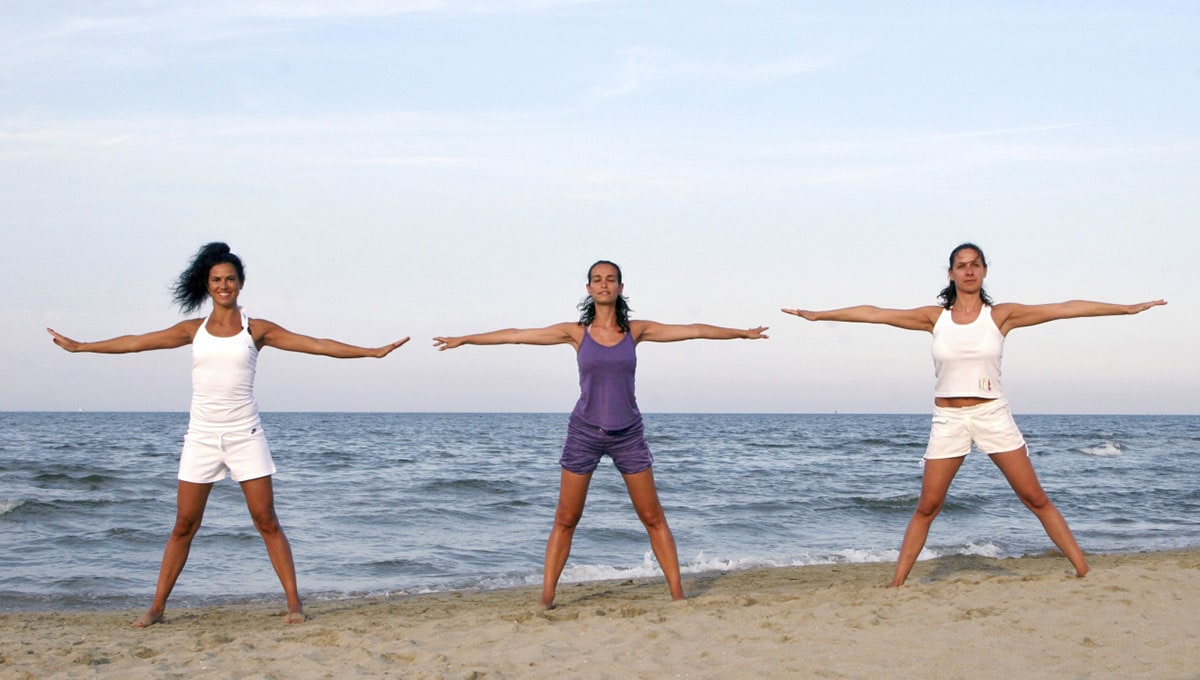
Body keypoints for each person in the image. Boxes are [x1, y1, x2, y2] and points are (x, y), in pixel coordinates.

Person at [47, 242, 408, 626]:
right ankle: (156, 609)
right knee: (184, 524)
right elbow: (137, 342)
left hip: (244, 434)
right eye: (217, 280)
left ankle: (293, 604)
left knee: (266, 519)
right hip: (201, 437)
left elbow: (316, 345)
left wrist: (370, 352)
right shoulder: (192, 330)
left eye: (230, 279)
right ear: (207, 285)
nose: (224, 286)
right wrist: (82, 347)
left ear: (241, 284)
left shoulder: (257, 329)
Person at [782, 242, 1165, 586]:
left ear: (984, 271)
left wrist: (1126, 309)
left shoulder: (1001, 316)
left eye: (975, 264)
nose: (968, 270)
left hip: (992, 415)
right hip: (948, 420)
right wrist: (820, 316)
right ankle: (896, 583)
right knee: (928, 506)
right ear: (950, 273)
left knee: (1034, 498)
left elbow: (1065, 309)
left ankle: (1083, 570)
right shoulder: (935, 318)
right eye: (961, 265)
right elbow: (876, 313)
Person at [434, 260, 768, 607]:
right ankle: (546, 599)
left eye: (611, 280)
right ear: (589, 289)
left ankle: (678, 596)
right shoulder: (576, 333)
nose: (604, 284)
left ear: (621, 288)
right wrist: (466, 339)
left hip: (628, 434)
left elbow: (694, 329)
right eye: (597, 280)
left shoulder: (636, 331)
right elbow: (517, 336)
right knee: (566, 518)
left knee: (652, 517)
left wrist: (742, 334)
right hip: (584, 433)